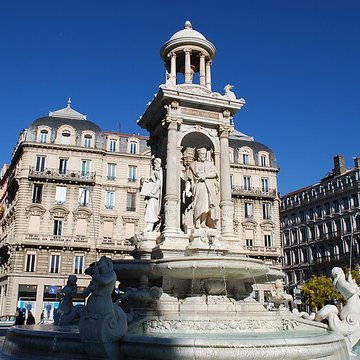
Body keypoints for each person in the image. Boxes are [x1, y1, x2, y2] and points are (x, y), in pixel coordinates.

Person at [188, 147, 219, 229]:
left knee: (207, 205)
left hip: (208, 186)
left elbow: (215, 173)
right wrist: (187, 190)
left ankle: (203, 222)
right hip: (198, 186)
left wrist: (205, 176)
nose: (203, 156)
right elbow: (189, 179)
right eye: (202, 154)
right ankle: (197, 221)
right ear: (198, 155)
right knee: (198, 204)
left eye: (205, 154)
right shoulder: (193, 165)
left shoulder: (209, 164)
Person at [143, 158, 162, 232]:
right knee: (149, 209)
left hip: (155, 195)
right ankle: (149, 225)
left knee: (151, 209)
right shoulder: (156, 172)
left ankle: (150, 226)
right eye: (154, 163)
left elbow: (159, 182)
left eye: (155, 163)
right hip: (153, 194)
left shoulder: (159, 171)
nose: (154, 165)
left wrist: (152, 192)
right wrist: (148, 180)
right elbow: (154, 180)